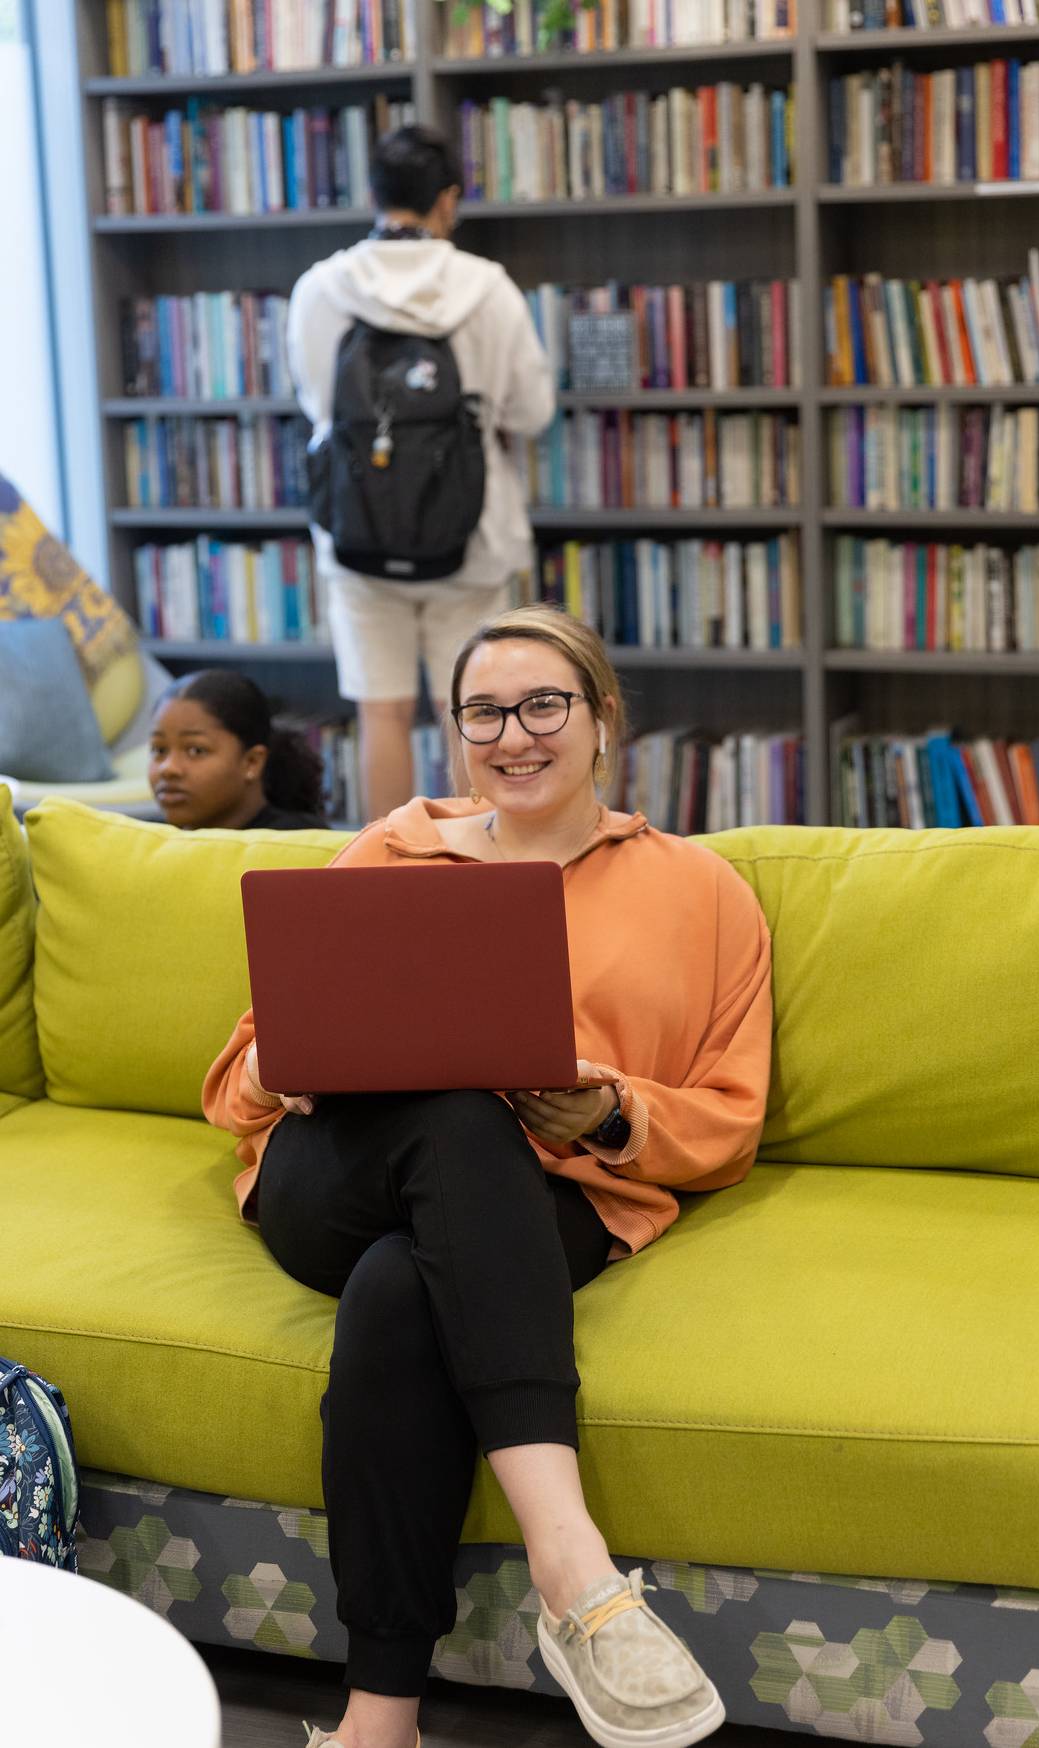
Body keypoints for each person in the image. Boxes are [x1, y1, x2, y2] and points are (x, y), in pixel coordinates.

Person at [202, 605, 773, 1748]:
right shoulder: (390, 850)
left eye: (544, 704)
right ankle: (578, 1575)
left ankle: (378, 1719)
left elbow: (728, 1118)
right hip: (336, 1173)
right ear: (457, 729)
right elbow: (234, 1081)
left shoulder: (701, 890)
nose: (514, 734)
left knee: (399, 1292)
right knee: (458, 1109)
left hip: (552, 1196)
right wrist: (290, 1060)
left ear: (603, 717)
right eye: (483, 711)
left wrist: (611, 1111)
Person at [287, 124, 556, 822]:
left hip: (356, 533)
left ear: (373, 195)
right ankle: (474, 876)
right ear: (448, 200)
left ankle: (389, 875)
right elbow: (531, 411)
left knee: (381, 714)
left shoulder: (320, 287)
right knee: (474, 713)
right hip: (468, 533)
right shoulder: (487, 288)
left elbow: (316, 403)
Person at [148, 670, 328, 831]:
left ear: (252, 762)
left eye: (196, 750)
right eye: (159, 750)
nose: (168, 768)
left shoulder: (293, 844)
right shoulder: (152, 839)